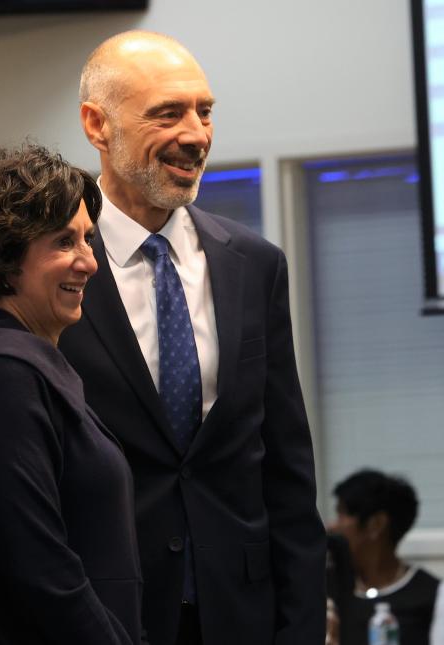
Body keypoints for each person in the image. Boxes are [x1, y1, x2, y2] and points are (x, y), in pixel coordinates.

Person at [57, 30, 327, 645]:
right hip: (102, 617)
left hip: (242, 615)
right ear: (97, 125)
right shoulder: (44, 266)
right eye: (168, 114)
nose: (196, 134)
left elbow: (286, 469)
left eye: (205, 112)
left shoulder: (253, 264)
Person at [0, 144, 145, 644]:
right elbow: (37, 565)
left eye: (88, 239)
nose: (89, 262)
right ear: (3, 257)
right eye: (63, 242)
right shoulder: (8, 372)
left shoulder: (24, 362)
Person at [327, 469, 444, 645]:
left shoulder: (434, 595)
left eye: (342, 514)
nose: (331, 527)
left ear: (376, 524)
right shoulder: (323, 588)